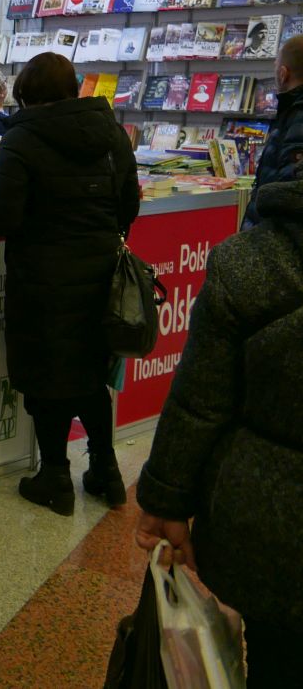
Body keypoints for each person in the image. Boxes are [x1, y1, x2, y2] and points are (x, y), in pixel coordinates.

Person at [134, 160, 303, 686]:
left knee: (276, 661)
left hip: (271, 527)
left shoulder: (253, 260)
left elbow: (202, 402)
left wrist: (166, 502)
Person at [0, 52, 139, 517]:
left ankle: (55, 477)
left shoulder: (22, 137)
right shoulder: (113, 134)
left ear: (27, 93)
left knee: (47, 377)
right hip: (101, 275)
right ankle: (106, 471)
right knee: (90, 374)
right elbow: (129, 204)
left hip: (42, 278)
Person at [243, 34, 302, 226]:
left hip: (272, 235)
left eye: (276, 66)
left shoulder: (296, 116)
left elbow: (287, 196)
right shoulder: (291, 112)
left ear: (283, 74)